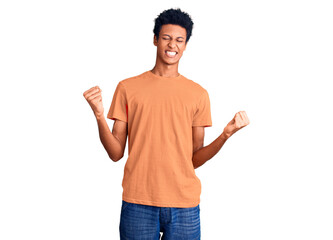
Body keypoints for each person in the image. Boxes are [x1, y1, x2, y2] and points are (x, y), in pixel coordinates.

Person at [83, 8, 250, 240]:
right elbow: (115, 153)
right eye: (166, 38)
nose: (173, 45)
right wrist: (99, 115)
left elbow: (194, 159)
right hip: (138, 201)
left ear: (186, 45)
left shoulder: (198, 94)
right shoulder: (127, 88)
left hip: (184, 204)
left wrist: (225, 134)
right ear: (155, 40)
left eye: (179, 40)